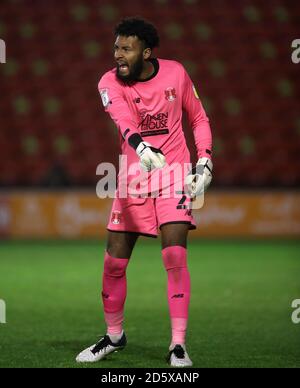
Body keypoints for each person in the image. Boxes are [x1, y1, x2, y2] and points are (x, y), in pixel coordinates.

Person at [76, 17, 213, 367]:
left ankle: (178, 345)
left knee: (174, 257)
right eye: (116, 47)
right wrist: (141, 149)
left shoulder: (176, 74)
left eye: (126, 48)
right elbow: (123, 121)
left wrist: (205, 162)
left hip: (175, 173)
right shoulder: (108, 81)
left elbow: (198, 118)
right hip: (134, 177)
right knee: (114, 262)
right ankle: (114, 336)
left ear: (147, 52)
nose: (117, 54)